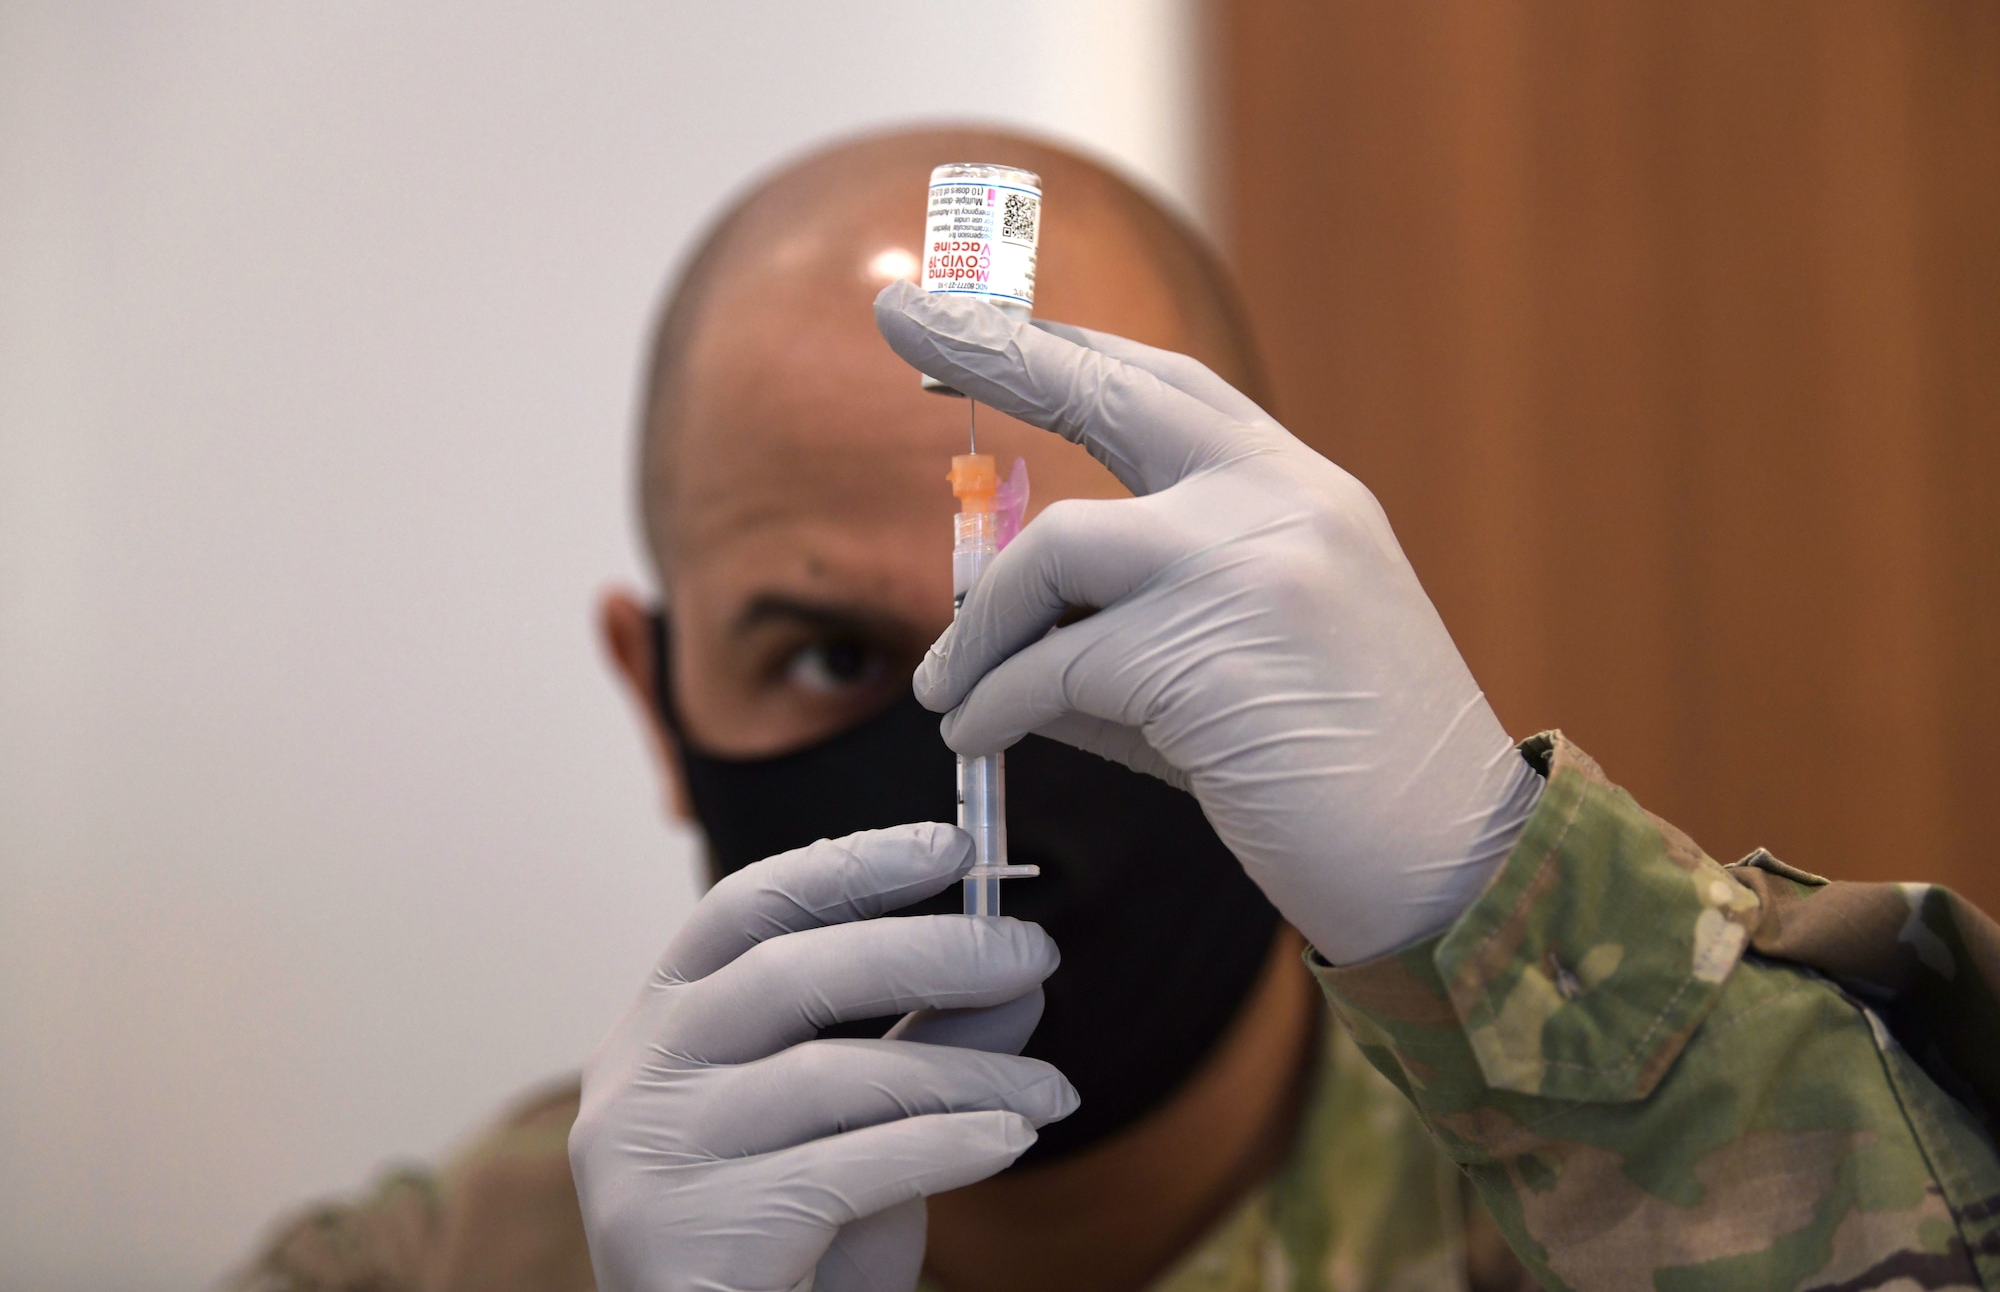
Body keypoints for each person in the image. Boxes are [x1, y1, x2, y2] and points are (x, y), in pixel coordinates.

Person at [236, 129, 2000, 1292]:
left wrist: (1507, 900)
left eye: (1084, 607)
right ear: (653, 688)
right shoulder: (433, 1266)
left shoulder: (1603, 1208)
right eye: (831, 658)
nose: (972, 728)